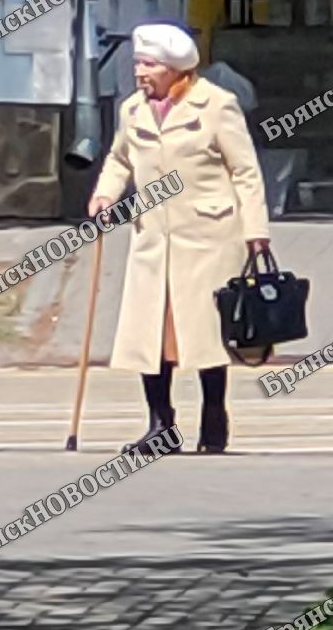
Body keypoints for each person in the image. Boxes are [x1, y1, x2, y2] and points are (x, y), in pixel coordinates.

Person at [88, 23, 270, 455]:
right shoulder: (133, 111)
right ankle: (161, 425)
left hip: (208, 236)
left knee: (206, 334)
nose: (139, 72)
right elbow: (119, 159)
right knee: (149, 337)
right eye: (137, 63)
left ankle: (213, 415)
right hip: (154, 238)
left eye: (148, 64)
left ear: (174, 69)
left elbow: (244, 170)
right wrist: (104, 194)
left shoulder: (217, 106)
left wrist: (255, 230)